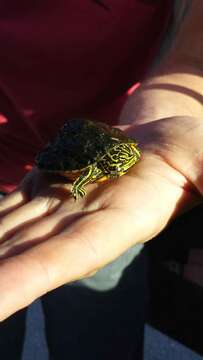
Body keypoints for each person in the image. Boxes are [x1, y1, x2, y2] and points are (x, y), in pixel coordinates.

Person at [0, 0, 202, 358]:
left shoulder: (125, 152)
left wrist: (177, 90)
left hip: (119, 118)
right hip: (36, 148)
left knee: (97, 333)